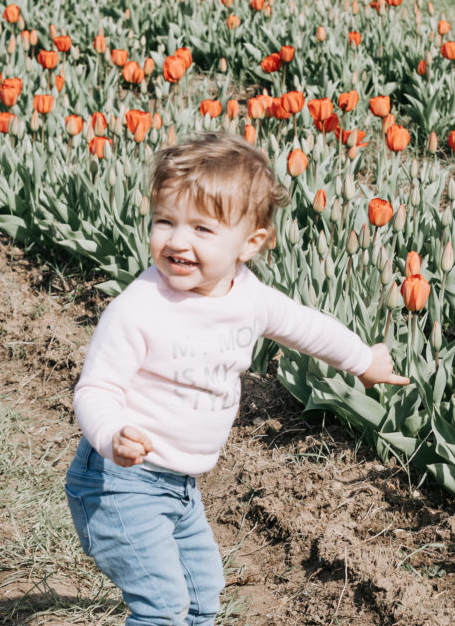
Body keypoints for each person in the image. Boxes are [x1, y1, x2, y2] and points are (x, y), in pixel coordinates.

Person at [65, 132, 407, 626]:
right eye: (165, 221)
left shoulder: (249, 296)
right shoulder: (138, 309)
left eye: (202, 229)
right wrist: (110, 435)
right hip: (121, 482)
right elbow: (96, 388)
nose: (177, 240)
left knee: (203, 597)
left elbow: (306, 327)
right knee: (162, 607)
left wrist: (363, 360)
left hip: (180, 485)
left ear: (250, 243)